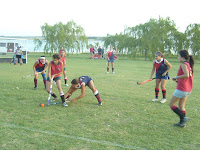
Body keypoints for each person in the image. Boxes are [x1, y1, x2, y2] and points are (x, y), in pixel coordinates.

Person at [169, 50, 194, 128]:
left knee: (171, 104)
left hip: (182, 89)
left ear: (182, 57)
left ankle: (183, 119)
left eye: (178, 56)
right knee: (181, 106)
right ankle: (182, 123)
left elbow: (186, 75)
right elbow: (187, 77)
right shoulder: (188, 64)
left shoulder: (183, 64)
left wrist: (176, 77)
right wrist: (178, 80)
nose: (178, 57)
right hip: (188, 89)